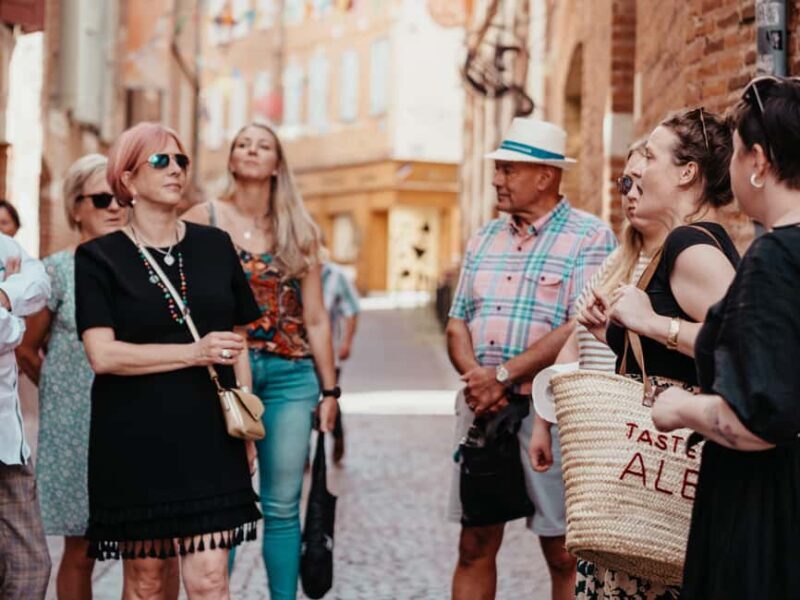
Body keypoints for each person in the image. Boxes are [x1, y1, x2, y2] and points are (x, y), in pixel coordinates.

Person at [74, 122, 261, 599]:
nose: (175, 169)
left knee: (211, 578)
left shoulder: (215, 246)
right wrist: (193, 353)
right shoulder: (98, 258)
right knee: (147, 581)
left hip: (210, 433)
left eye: (181, 161)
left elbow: (238, 341)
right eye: (161, 161)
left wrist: (246, 422)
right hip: (135, 435)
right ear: (128, 180)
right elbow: (103, 355)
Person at [445, 117, 617, 600]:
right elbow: (457, 320)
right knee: (474, 542)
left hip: (550, 412)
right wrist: (479, 381)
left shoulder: (590, 237)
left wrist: (503, 376)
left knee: (563, 550)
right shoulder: (484, 238)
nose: (497, 180)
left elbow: (580, 325)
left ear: (545, 176)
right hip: (484, 411)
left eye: (508, 170)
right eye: (497, 169)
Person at [577, 108, 740, 598]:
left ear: (687, 171)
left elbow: (741, 346)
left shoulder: (692, 245)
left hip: (666, 487)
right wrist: (616, 328)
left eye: (649, 154)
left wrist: (651, 323)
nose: (636, 169)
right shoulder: (677, 245)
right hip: (647, 481)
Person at [652, 77, 800, 599]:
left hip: (768, 518)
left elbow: (761, 420)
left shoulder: (775, 259)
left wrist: (679, 408)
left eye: (737, 154)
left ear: (758, 161)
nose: (733, 168)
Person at [183, 122, 339, 600]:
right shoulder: (202, 218)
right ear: (231, 160)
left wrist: (331, 391)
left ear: (276, 164)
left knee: (282, 504)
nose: (252, 151)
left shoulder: (300, 229)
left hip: (292, 376)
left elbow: (315, 318)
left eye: (263, 145)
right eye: (243, 144)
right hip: (223, 377)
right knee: (225, 500)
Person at [528, 140, 672, 598]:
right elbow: (572, 342)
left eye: (638, 182)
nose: (629, 192)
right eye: (623, 182)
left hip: (642, 440)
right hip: (597, 438)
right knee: (593, 554)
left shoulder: (677, 256)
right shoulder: (617, 257)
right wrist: (542, 423)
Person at [0, 234, 52, 598]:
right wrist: (14, 320)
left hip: (7, 442)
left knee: (31, 566)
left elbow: (40, 281)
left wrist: (5, 297)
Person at [321, 257, 360, 463]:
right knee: (304, 401)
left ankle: (337, 437)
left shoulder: (335, 276)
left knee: (330, 396)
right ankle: (303, 456)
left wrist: (347, 342)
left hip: (329, 354)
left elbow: (351, 310)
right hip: (296, 356)